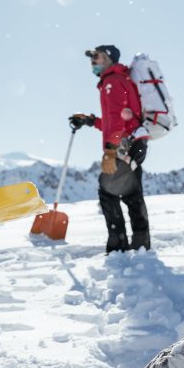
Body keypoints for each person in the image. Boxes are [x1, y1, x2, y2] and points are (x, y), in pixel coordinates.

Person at [69, 45, 151, 254]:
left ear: (107, 58)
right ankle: (141, 245)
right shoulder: (118, 80)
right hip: (134, 143)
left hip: (123, 145)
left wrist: (110, 151)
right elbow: (114, 120)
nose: (92, 61)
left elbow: (117, 119)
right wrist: (90, 121)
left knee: (108, 192)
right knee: (132, 195)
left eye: (96, 56)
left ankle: (118, 247)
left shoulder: (112, 81)